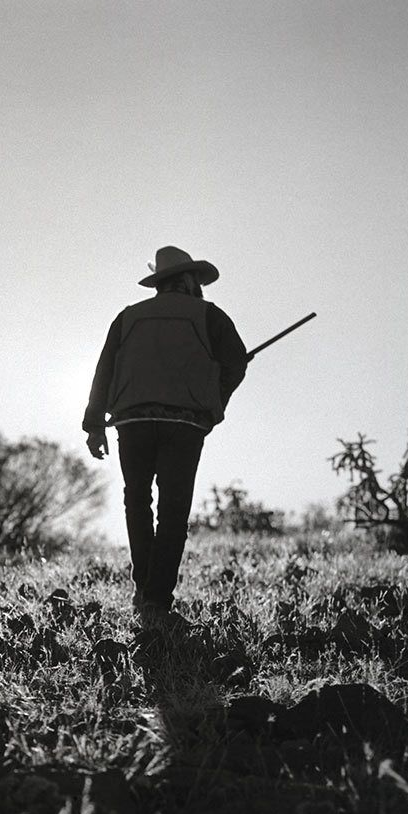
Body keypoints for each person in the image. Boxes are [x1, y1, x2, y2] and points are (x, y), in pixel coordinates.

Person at [83, 246, 248, 622]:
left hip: (132, 422)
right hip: (185, 425)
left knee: (136, 502)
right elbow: (236, 362)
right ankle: (157, 597)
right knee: (173, 512)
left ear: (159, 282)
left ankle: (143, 587)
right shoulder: (210, 315)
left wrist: (94, 423)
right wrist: (212, 403)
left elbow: (103, 372)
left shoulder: (128, 318)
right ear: (190, 280)